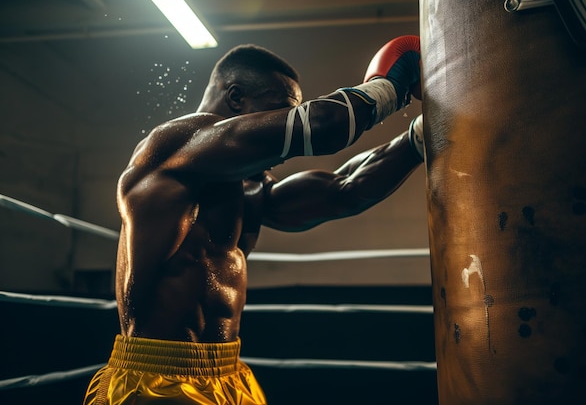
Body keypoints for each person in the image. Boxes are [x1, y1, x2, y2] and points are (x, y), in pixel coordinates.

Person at [83, 35, 424, 405]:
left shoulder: (249, 185)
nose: (280, 124)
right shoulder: (173, 145)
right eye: (277, 109)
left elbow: (344, 189)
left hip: (227, 374)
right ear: (235, 99)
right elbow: (323, 123)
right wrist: (388, 87)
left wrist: (421, 137)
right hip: (158, 380)